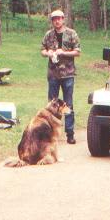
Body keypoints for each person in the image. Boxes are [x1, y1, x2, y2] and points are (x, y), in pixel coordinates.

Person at [40, 9, 81, 144]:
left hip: (68, 74)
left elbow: (77, 52)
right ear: (52, 21)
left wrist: (63, 52)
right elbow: (42, 50)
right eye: (54, 19)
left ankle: (70, 134)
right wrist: (49, 53)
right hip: (53, 74)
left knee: (68, 104)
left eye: (59, 18)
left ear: (63, 19)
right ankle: (50, 132)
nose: (57, 21)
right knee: (52, 104)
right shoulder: (48, 35)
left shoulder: (71, 34)